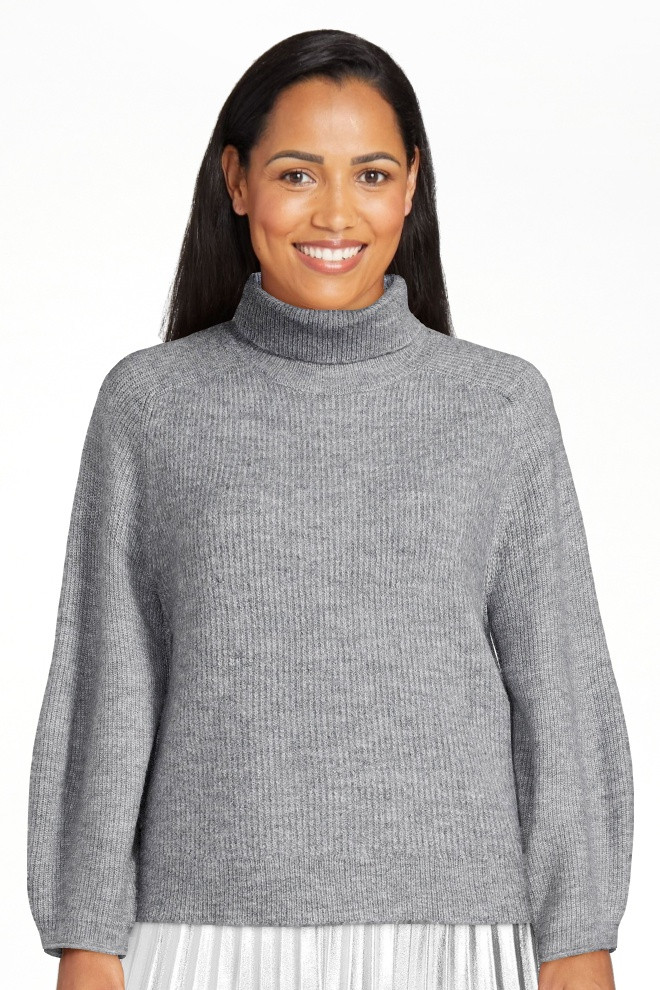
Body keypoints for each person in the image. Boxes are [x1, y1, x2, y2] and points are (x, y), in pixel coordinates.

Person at [27, 28, 634, 990]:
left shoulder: (500, 407)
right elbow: (109, 686)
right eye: (298, 174)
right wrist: (85, 939)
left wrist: (580, 939)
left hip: (458, 939)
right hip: (199, 937)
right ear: (237, 181)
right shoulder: (152, 406)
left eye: (373, 174)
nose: (337, 212)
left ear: (412, 185)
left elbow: (557, 691)